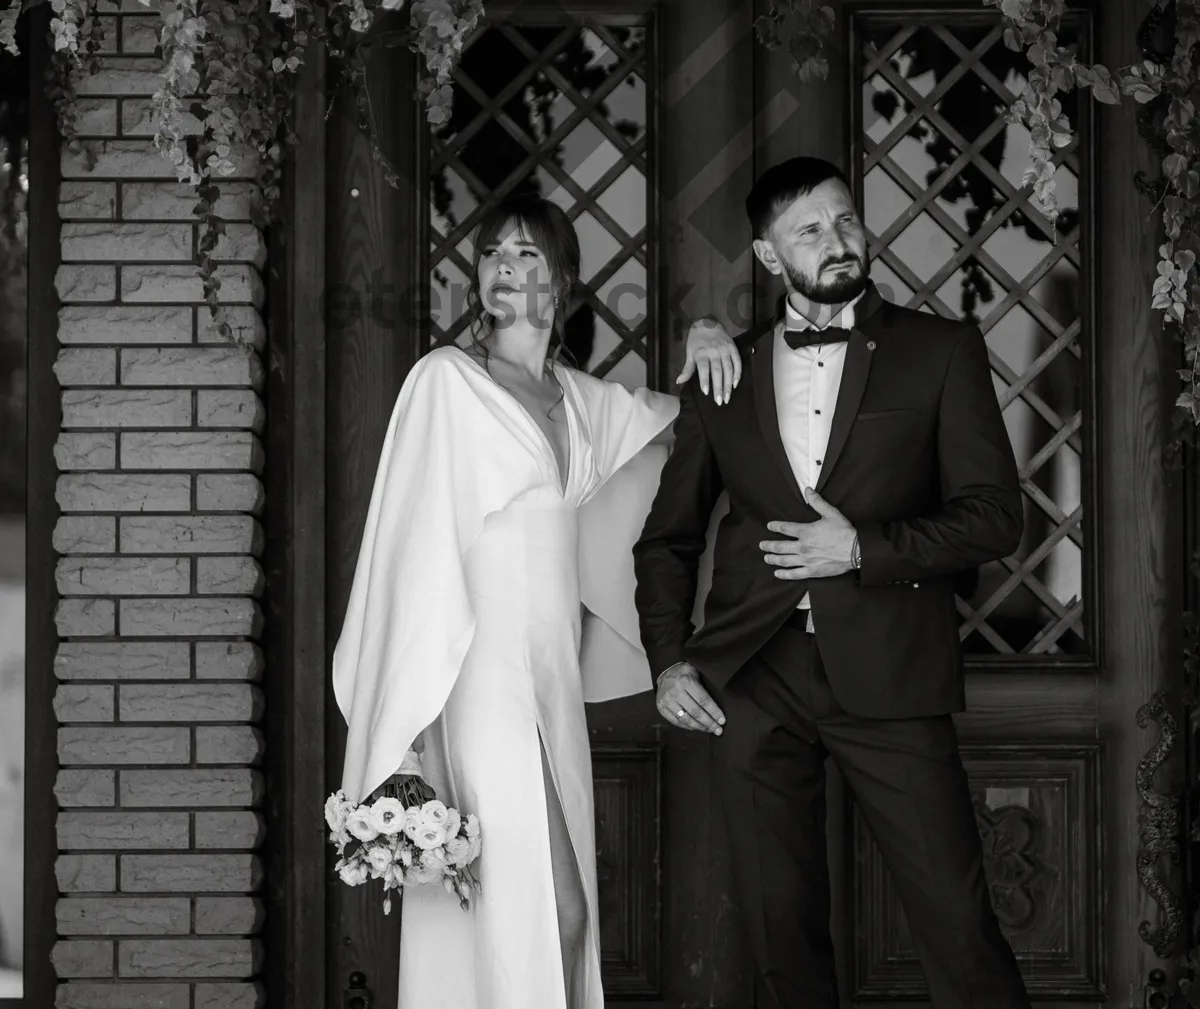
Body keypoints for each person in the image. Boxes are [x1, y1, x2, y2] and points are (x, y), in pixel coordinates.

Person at [633, 156, 1031, 1009]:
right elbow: (665, 538)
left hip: (892, 667)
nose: (837, 240)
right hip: (754, 676)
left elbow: (997, 515)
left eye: (845, 219)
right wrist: (669, 660)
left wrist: (863, 549)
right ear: (770, 256)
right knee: (782, 941)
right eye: (808, 229)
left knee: (958, 927)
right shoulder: (722, 372)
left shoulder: (941, 350)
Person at [331, 191, 741, 1009]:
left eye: (525, 253)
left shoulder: (582, 403)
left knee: (536, 921)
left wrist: (710, 335)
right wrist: (418, 742)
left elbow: (698, 419)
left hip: (551, 689)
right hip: (478, 683)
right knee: (557, 912)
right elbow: (413, 556)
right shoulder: (445, 382)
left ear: (561, 283)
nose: (504, 267)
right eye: (491, 254)